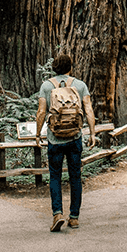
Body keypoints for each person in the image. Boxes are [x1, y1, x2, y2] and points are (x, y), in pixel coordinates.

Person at [35, 53, 97, 232]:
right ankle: (74, 217)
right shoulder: (80, 85)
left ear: (54, 67)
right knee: (75, 176)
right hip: (75, 138)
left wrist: (38, 134)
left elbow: (41, 112)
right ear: (71, 67)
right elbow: (88, 109)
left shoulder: (47, 86)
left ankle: (57, 213)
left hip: (55, 139)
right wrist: (92, 133)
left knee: (55, 176)